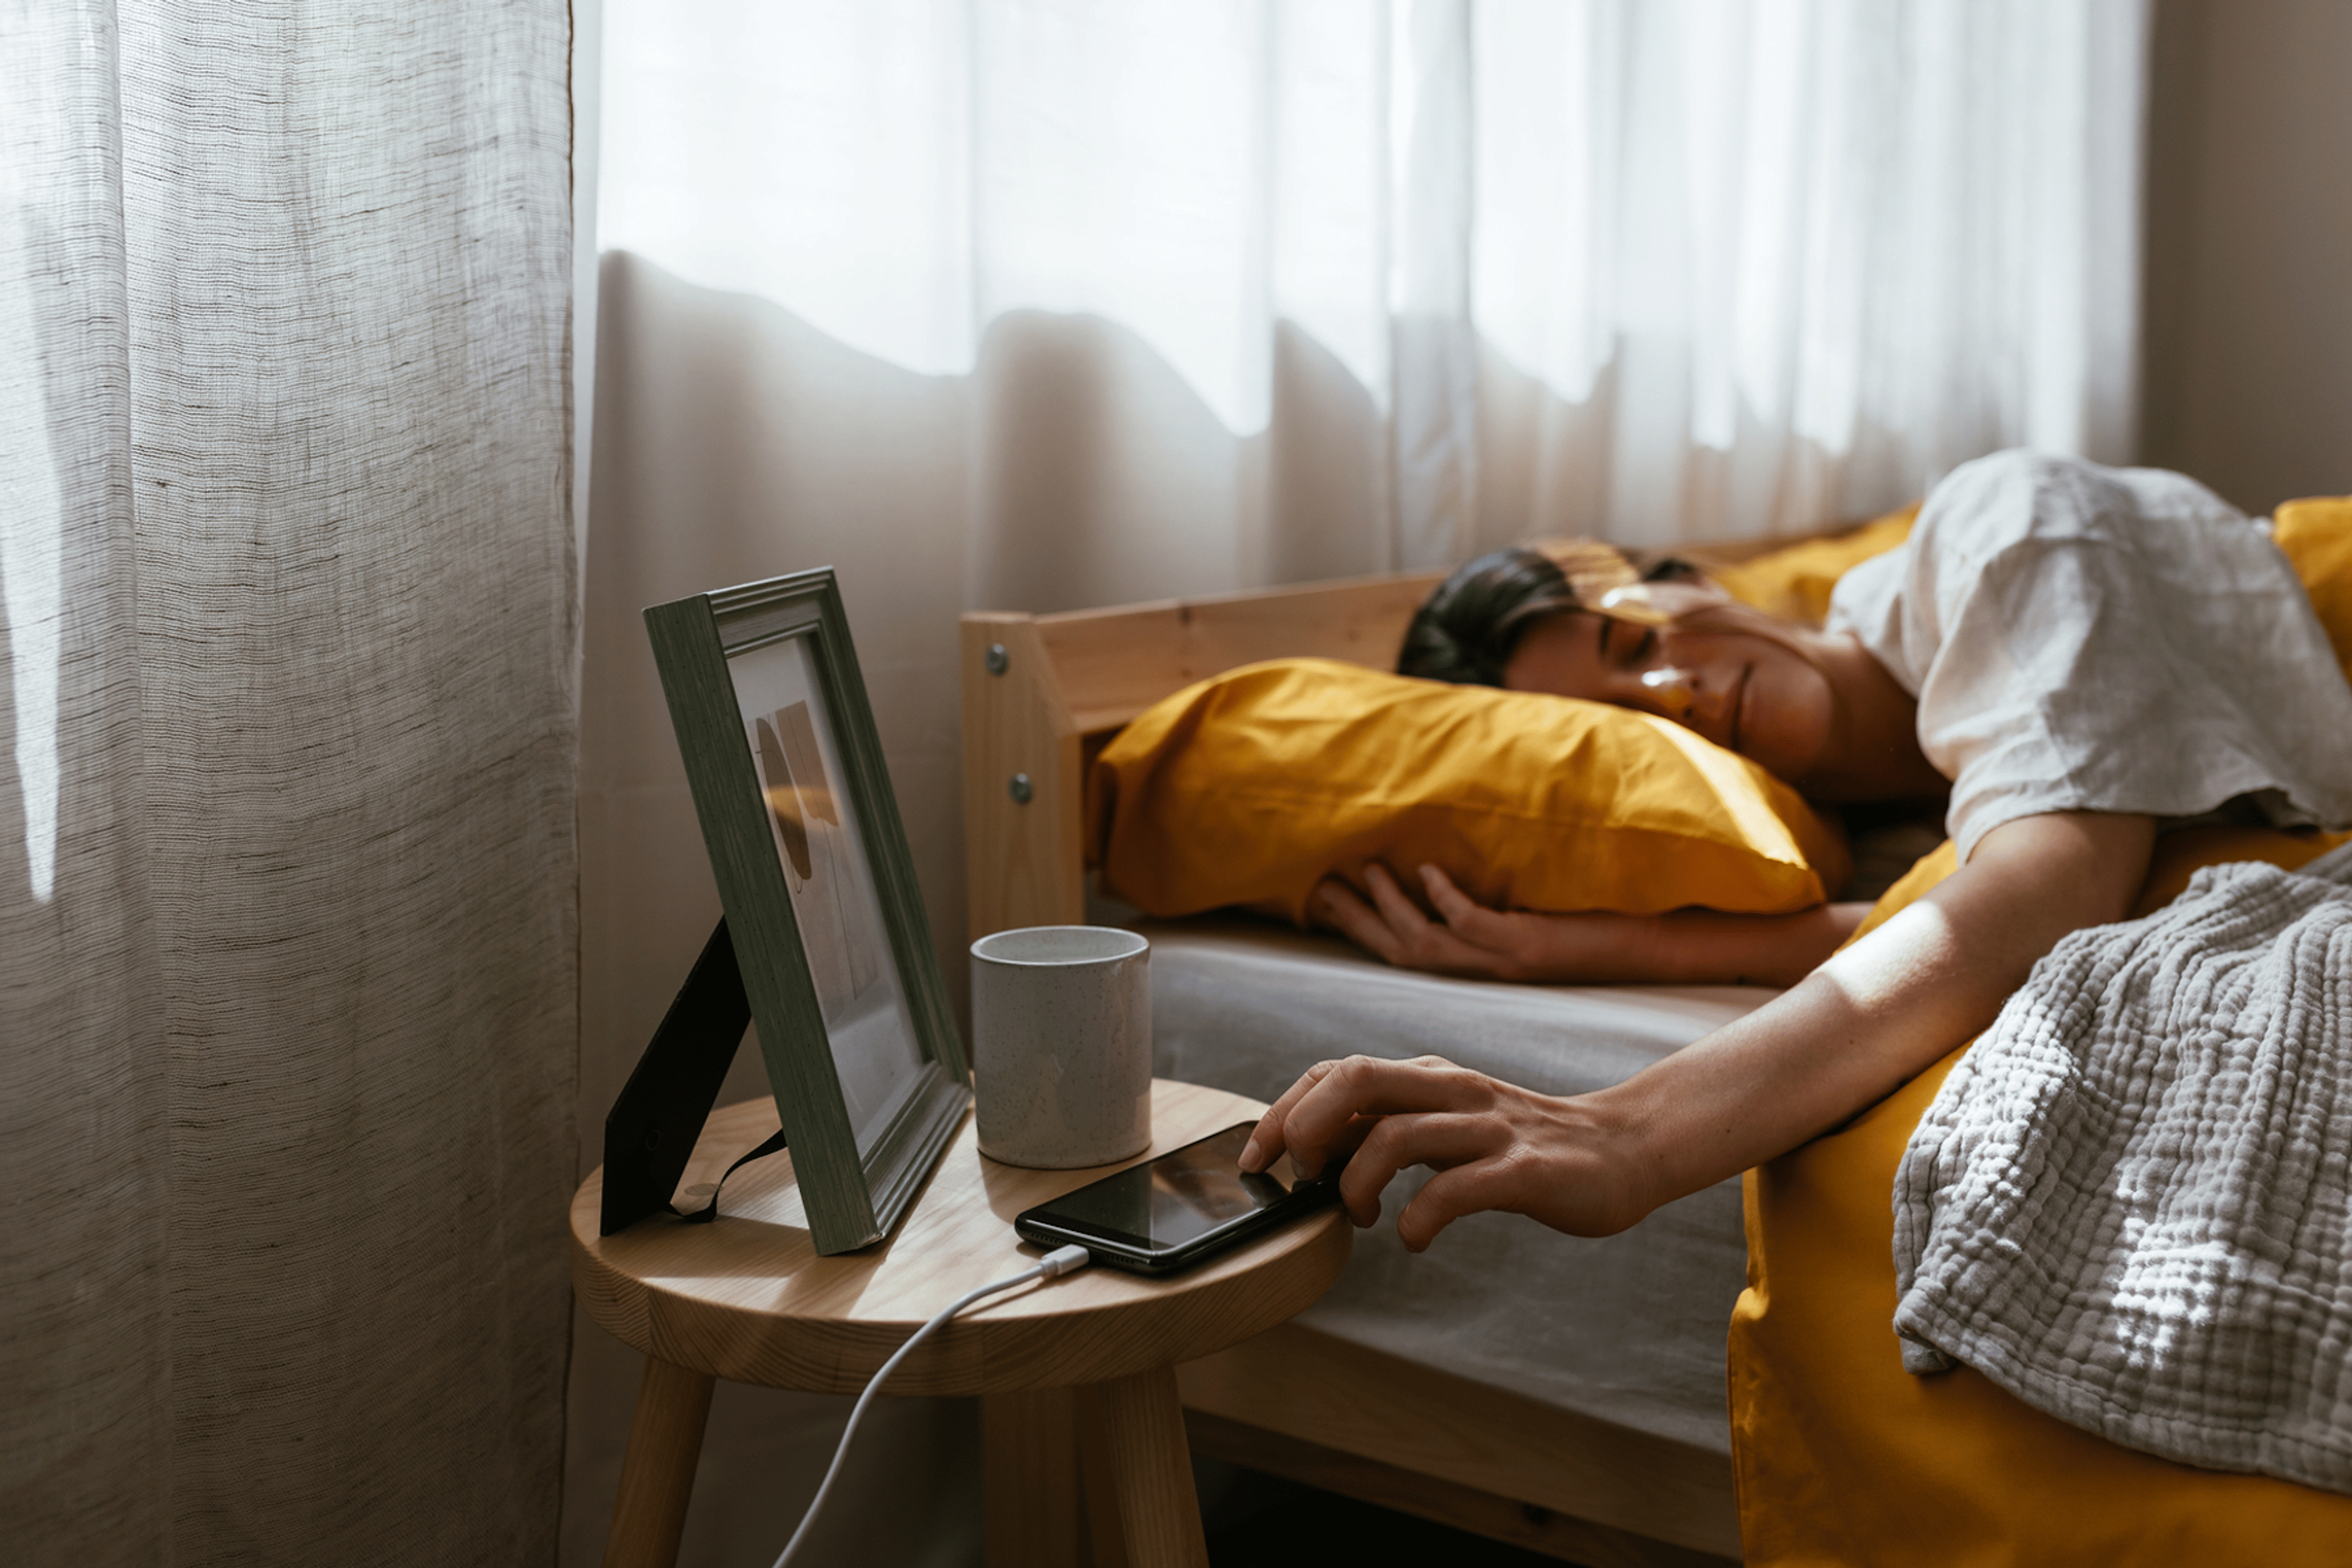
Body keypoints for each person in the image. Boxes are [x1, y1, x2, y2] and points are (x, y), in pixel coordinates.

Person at [1237, 450, 2352, 1252]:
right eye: (1630, 727)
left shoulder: (2000, 528)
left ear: (1690, 579)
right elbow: (1973, 907)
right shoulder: (1875, 840)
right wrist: (1566, 945)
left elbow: (2049, 884)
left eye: (1636, 639)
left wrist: (1624, 1131)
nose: (1670, 690)